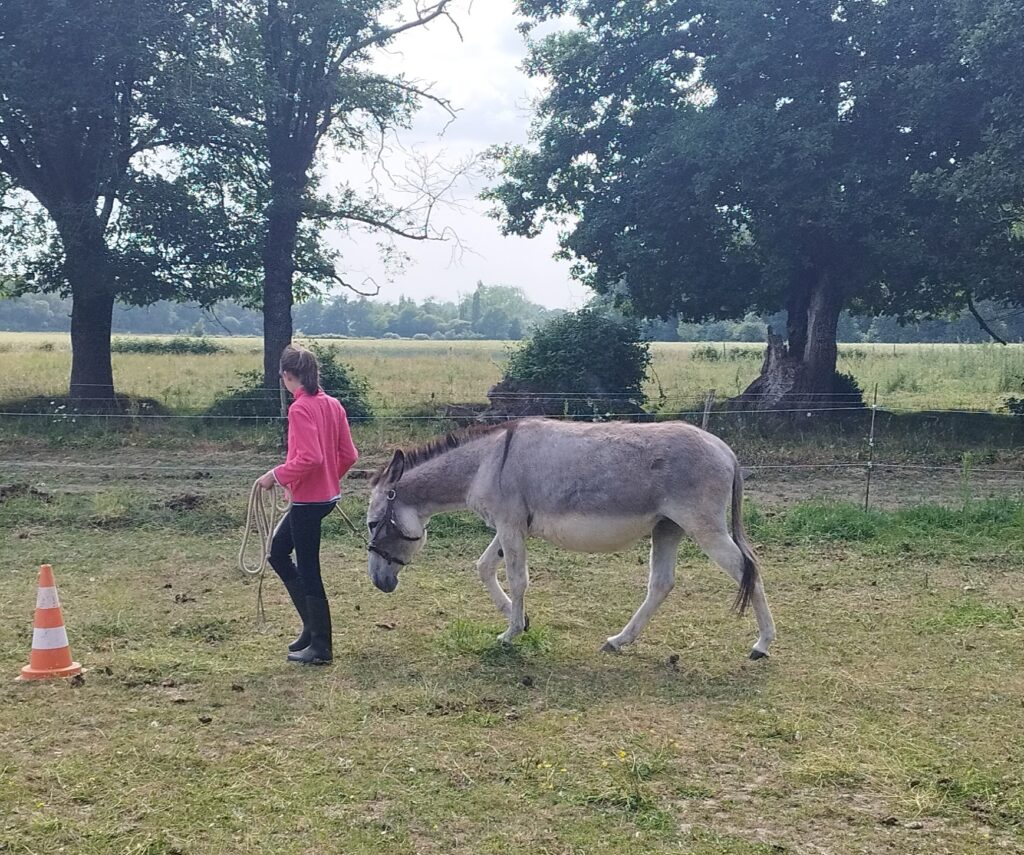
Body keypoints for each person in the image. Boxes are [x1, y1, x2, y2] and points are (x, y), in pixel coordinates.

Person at [256, 344, 359, 665]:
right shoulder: (333, 404)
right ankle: (311, 629)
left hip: (308, 502)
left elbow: (310, 458)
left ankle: (321, 646)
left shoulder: (300, 409)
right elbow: (349, 455)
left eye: (282, 377)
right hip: (322, 499)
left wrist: (276, 475)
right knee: (278, 552)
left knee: (308, 569)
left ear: (288, 375)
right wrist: (328, 480)